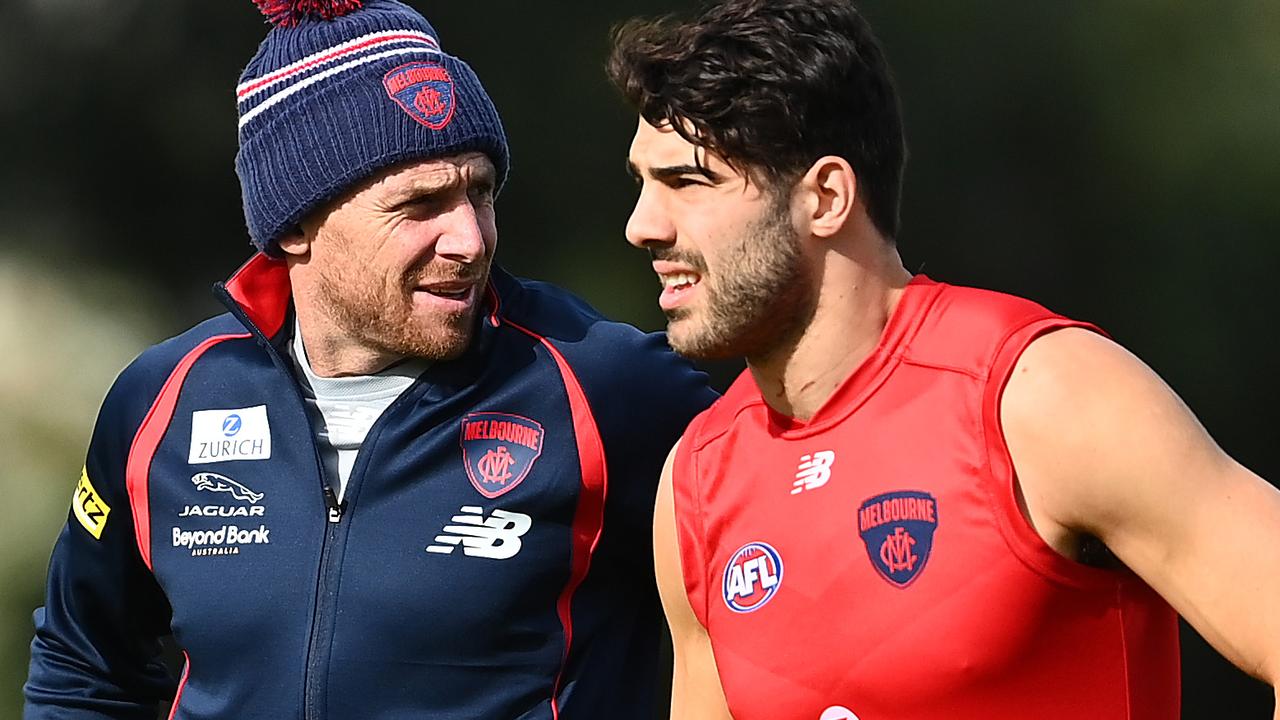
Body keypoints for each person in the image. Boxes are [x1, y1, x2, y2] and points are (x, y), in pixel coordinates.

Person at [24, 1, 715, 718]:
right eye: (420, 205)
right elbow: (82, 668)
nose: (470, 241)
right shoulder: (162, 400)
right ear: (294, 226)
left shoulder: (606, 385)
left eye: (479, 191)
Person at [608, 1, 1280, 718]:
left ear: (826, 197)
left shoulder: (1038, 395)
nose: (641, 226)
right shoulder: (696, 481)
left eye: (687, 182)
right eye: (642, 184)